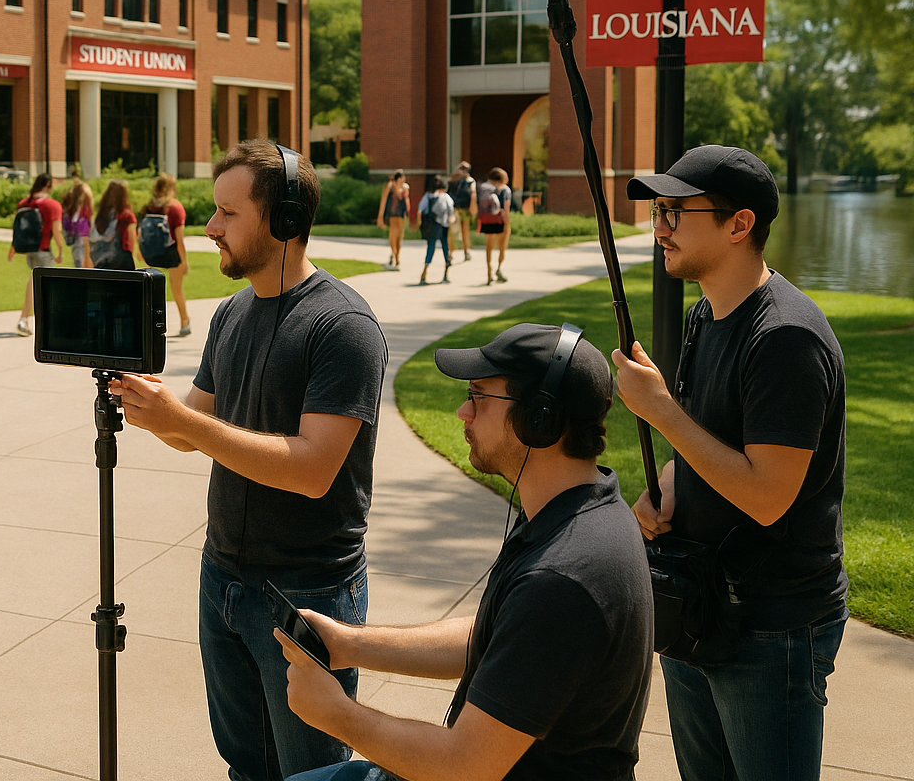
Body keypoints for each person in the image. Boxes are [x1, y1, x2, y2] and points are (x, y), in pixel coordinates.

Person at [108, 140, 388, 781]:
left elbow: (314, 470)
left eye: (228, 214)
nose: (209, 228)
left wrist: (188, 423)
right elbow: (192, 431)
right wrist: (154, 410)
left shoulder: (342, 325)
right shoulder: (230, 315)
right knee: (245, 768)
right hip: (222, 581)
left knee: (312, 774)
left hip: (306, 592)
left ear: (284, 219)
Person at [279, 323, 652, 781]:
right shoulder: (578, 505)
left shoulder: (564, 576)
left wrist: (335, 714)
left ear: (540, 417)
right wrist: (348, 643)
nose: (462, 412)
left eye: (478, 396)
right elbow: (499, 637)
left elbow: (465, 766)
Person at [614, 145, 848, 781]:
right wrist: (662, 489)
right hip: (699, 605)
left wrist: (662, 413)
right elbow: (709, 439)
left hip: (771, 624)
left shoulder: (786, 340)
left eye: (675, 212)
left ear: (738, 224)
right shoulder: (705, 316)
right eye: (658, 210)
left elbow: (768, 495)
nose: (658, 227)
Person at [8, 173, 63, 336]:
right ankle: (25, 319)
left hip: (28, 250)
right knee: (42, 283)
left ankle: (33, 320)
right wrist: (60, 250)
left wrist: (12, 248)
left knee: (39, 282)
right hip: (43, 249)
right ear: (49, 185)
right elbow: (56, 230)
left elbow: (18, 228)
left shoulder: (24, 203)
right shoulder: (52, 205)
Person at [143, 174, 193, 335]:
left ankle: (149, 324)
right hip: (171, 253)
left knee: (149, 290)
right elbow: (179, 239)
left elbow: (140, 232)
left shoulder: (150, 206)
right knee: (177, 289)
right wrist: (184, 261)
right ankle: (184, 321)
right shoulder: (175, 208)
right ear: (171, 188)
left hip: (150, 253)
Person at [89, 178, 138, 270]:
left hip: (101, 260)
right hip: (122, 260)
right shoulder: (127, 216)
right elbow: (131, 239)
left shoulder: (101, 215)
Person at [476, 168, 512, 286]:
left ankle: (489, 273)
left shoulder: (483, 188)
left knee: (488, 248)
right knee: (502, 247)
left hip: (487, 220)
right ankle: (499, 268)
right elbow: (506, 208)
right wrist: (507, 224)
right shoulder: (505, 190)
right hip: (500, 221)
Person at [416, 176, 454, 285]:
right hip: (444, 226)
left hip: (431, 226)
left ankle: (424, 273)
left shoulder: (427, 197)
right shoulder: (446, 197)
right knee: (445, 248)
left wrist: (420, 224)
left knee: (430, 248)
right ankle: (446, 274)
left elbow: (420, 210)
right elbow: (451, 211)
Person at [375, 172, 410, 271]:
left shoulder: (405, 188)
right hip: (392, 216)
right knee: (392, 238)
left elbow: (407, 203)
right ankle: (395, 257)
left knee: (399, 239)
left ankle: (396, 258)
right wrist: (380, 217)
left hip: (401, 217)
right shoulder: (390, 188)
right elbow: (383, 202)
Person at [60, 177, 94, 268]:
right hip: (83, 236)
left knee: (80, 261)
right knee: (83, 262)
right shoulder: (80, 209)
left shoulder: (72, 210)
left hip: (78, 237)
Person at [448, 161, 477, 262]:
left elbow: (473, 195)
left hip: (465, 209)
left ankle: (466, 251)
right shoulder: (456, 180)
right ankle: (451, 252)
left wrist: (472, 209)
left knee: (465, 232)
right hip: (455, 209)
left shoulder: (470, 181)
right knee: (453, 232)